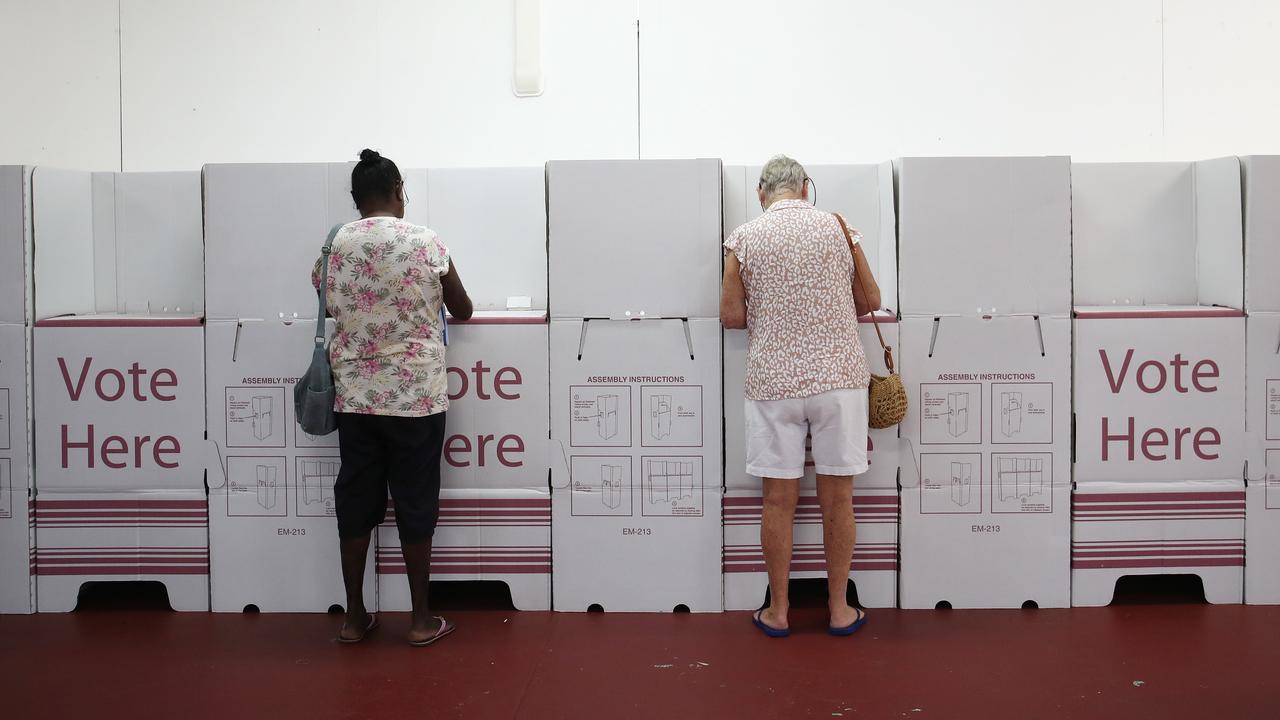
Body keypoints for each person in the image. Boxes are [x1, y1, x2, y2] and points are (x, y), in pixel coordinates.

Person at [312, 149, 473, 646]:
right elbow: (462, 309)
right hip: (415, 400)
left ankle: (354, 617)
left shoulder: (335, 245)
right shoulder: (425, 242)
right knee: (415, 500)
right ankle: (421, 620)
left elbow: (325, 297)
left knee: (356, 500)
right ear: (400, 191)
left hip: (356, 396)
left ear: (357, 199)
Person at [720, 155, 881, 638]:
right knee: (839, 497)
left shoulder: (743, 238)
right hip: (839, 379)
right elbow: (870, 300)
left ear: (761, 194)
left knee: (777, 500)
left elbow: (730, 315)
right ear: (806, 189)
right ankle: (838, 609)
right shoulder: (838, 226)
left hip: (774, 383)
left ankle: (778, 612)